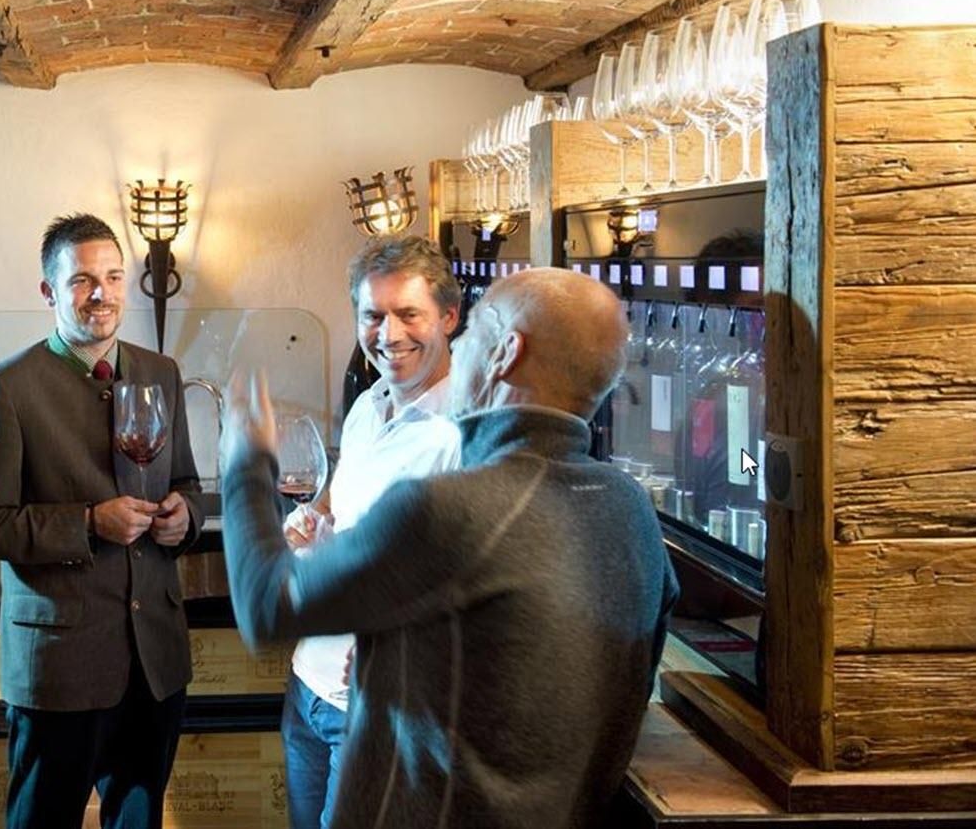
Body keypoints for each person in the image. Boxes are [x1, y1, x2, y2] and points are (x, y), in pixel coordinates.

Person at [221, 266, 679, 828]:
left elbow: (267, 604)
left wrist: (245, 461)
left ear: (505, 352)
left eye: (474, 328)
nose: (458, 347)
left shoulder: (452, 506)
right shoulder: (630, 507)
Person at [0, 213, 203, 829]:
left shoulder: (162, 373)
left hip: (155, 662)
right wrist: (90, 523)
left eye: (113, 277)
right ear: (49, 291)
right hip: (59, 667)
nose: (102, 293)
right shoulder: (7, 387)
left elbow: (186, 483)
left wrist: (186, 517)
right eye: (82, 280)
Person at [280, 235, 462, 829]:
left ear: (449, 317)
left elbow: (467, 573)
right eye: (373, 315)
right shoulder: (369, 403)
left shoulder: (465, 430)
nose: (389, 334)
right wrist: (313, 522)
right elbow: (343, 502)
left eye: (409, 313)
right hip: (309, 685)